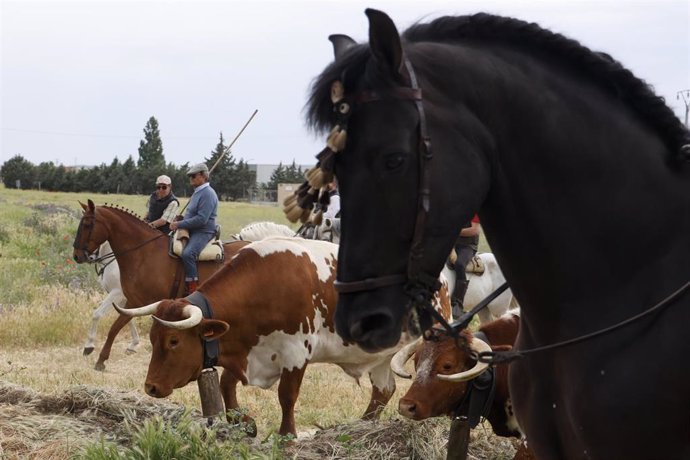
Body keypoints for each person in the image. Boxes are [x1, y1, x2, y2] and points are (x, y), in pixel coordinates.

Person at [169, 163, 218, 295]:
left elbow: (202, 219)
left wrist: (180, 224)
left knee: (188, 254)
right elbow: (193, 215)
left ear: (203, 176)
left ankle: (193, 288)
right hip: (192, 229)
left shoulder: (208, 194)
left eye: (193, 176)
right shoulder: (198, 192)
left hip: (204, 231)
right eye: (189, 176)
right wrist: (181, 219)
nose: (190, 178)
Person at [451, 214, 481, 318]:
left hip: (468, 246)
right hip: (452, 244)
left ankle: (457, 305)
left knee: (459, 264)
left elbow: (475, 230)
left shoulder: (474, 209)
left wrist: (455, 231)